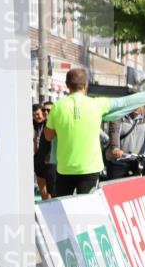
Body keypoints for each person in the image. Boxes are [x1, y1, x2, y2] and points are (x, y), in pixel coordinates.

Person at [44, 68, 111, 196]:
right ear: (85, 85)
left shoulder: (58, 106)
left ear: (67, 85)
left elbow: (48, 136)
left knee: (64, 206)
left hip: (65, 167)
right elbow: (123, 104)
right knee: (87, 207)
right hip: (90, 167)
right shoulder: (97, 104)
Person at [105, 106, 145, 179]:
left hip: (135, 159)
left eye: (140, 104)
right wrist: (115, 148)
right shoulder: (120, 115)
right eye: (135, 103)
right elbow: (114, 132)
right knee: (116, 181)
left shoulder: (144, 117)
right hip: (119, 160)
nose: (137, 107)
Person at [33, 103, 55, 199]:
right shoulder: (37, 125)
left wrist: (50, 156)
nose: (37, 117)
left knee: (52, 190)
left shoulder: (52, 124)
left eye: (38, 114)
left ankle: (51, 209)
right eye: (44, 110)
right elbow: (37, 141)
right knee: (41, 186)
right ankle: (45, 208)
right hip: (39, 159)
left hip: (49, 161)